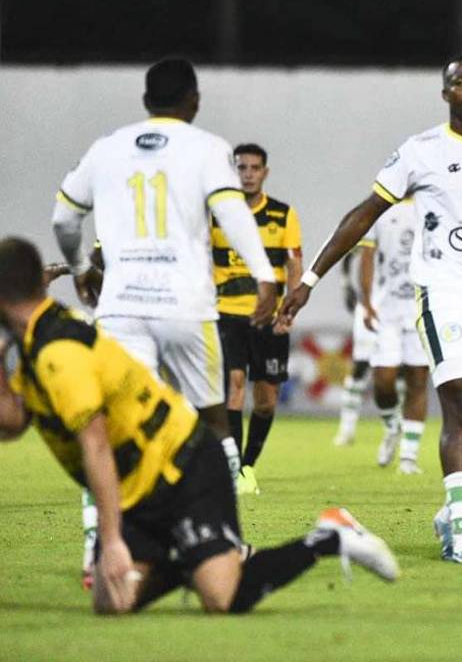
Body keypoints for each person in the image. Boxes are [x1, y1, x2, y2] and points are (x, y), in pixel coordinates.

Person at [0, 237, 398, 615]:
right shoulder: (38, 335)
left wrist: (111, 540)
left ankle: (330, 537)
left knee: (222, 599)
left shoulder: (57, 353)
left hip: (184, 465)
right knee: (113, 603)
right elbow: (13, 423)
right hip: (139, 487)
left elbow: (97, 447)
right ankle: (199, 556)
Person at [278, 55, 462, 565]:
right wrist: (311, 278)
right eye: (459, 82)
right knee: (460, 404)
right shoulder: (420, 151)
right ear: (445, 94)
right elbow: (364, 214)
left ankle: (454, 510)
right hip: (443, 289)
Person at [52, 58, 279, 584]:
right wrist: (265, 276)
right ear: (193, 100)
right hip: (185, 305)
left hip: (123, 305)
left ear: (145, 100)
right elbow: (231, 213)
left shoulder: (107, 146)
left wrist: (84, 267)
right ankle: (226, 539)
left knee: (111, 424)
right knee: (213, 421)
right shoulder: (206, 148)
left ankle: (99, 545)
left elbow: (64, 217)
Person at [212, 143, 303, 496]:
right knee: (233, 385)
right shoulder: (216, 213)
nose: (248, 174)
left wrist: (289, 310)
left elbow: (293, 264)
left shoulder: (282, 215)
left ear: (265, 172)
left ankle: (248, 463)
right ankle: (236, 469)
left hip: (269, 318)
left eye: (254, 168)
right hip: (228, 314)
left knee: (265, 401)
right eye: (242, 167)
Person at [359, 199, 431, 474]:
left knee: (418, 380)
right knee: (383, 379)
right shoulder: (381, 209)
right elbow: (367, 257)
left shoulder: (433, 205)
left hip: (421, 309)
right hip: (387, 310)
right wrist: (366, 301)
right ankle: (392, 426)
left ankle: (409, 457)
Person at [334, 245, 377, 446]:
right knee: (360, 367)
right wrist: (345, 286)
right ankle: (346, 429)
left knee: (404, 372)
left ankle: (397, 428)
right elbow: (347, 258)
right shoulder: (371, 227)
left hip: (401, 306)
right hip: (369, 308)